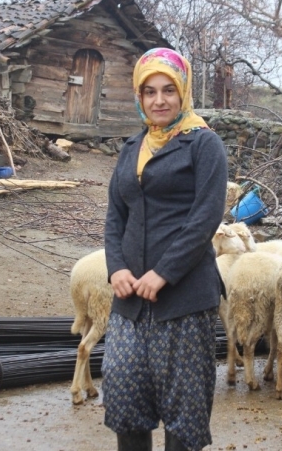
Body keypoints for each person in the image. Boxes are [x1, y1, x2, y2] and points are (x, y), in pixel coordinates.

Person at [102, 48, 228, 451]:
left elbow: (204, 219)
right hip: (130, 301)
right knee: (125, 398)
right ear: (139, 97)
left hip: (185, 300)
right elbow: (115, 217)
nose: (159, 100)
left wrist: (164, 272)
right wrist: (116, 268)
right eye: (150, 91)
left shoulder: (203, 144)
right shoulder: (130, 149)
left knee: (183, 409)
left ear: (183, 92)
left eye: (168, 90)